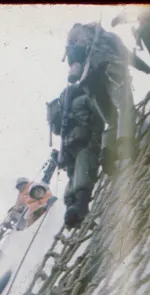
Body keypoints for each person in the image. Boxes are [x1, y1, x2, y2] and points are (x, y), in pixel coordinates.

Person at [64, 22, 150, 171]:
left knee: (111, 119)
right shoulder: (107, 37)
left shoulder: (75, 50)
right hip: (110, 67)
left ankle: (106, 151)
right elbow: (128, 56)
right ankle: (125, 143)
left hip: (89, 81)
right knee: (125, 105)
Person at [47, 84, 105, 228]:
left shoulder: (64, 122)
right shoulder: (82, 101)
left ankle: (72, 206)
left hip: (75, 149)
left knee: (73, 175)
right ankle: (80, 205)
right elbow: (101, 113)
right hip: (89, 144)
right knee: (83, 166)